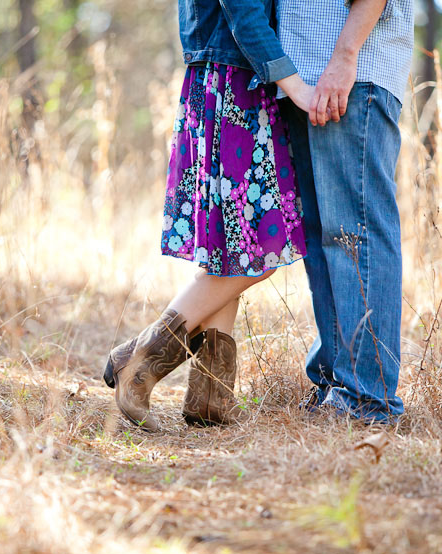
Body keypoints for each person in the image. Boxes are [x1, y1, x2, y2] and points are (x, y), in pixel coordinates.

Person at [101, 0, 315, 432]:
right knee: (261, 248)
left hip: (228, 81)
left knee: (231, 250)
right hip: (234, 87)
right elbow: (246, 15)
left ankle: (211, 397)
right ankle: (139, 361)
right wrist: (301, 91)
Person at [276, 0, 415, 423]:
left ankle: (369, 398)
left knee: (357, 234)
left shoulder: (348, 64)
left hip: (351, 75)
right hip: (300, 82)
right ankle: (337, 384)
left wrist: (344, 57)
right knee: (321, 239)